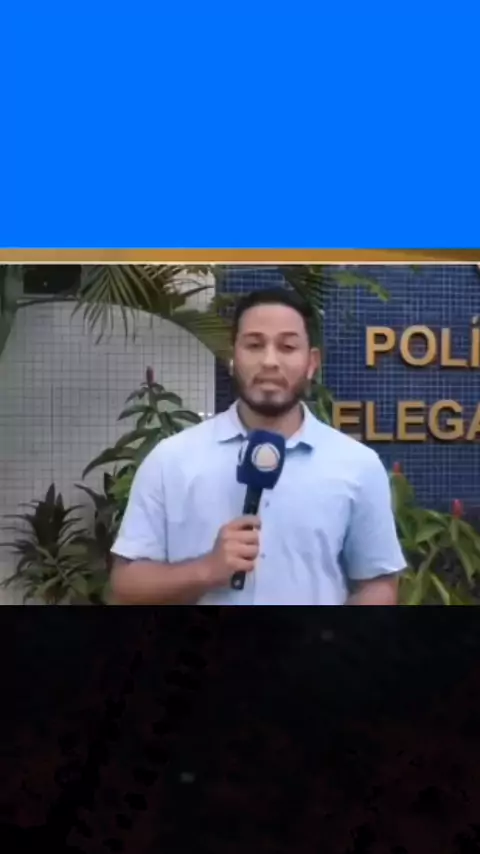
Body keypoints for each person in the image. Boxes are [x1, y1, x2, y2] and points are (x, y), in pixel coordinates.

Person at [110, 287, 405, 605]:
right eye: (254, 345)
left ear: (311, 363)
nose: (269, 361)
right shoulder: (171, 460)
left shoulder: (358, 465)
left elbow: (378, 584)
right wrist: (206, 570)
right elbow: (126, 586)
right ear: (233, 357)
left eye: (287, 347)